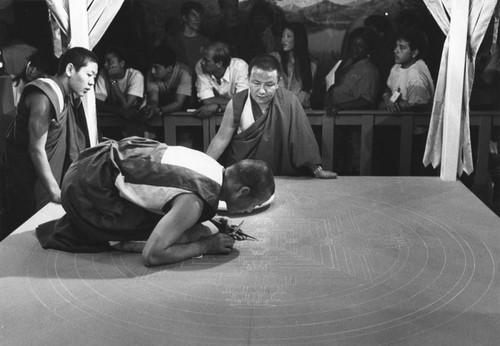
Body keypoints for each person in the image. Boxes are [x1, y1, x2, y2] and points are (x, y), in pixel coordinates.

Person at [36, 136, 275, 266]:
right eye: (253, 205)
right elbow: (151, 256)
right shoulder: (194, 203)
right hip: (84, 190)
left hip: (92, 161)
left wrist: (215, 219)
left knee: (194, 224)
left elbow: (178, 184)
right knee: (195, 232)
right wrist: (206, 246)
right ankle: (111, 235)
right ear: (242, 191)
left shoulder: (211, 165)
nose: (250, 210)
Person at [4, 47, 98, 233]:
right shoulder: (43, 94)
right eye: (89, 74)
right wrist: (54, 191)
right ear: (70, 70)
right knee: (25, 233)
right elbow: (36, 148)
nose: (91, 82)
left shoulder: (65, 96)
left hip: (44, 177)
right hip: (28, 178)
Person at [206, 54, 336, 178]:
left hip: (280, 174)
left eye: (269, 84)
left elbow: (303, 140)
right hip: (242, 174)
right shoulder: (237, 103)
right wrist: (202, 167)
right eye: (256, 83)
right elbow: (221, 139)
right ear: (248, 79)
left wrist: (317, 171)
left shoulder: (289, 101)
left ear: (278, 82)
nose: (261, 91)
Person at [324, 26, 381, 175]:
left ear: (368, 48)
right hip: (337, 123)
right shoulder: (348, 63)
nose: (355, 49)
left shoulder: (369, 70)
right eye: (354, 45)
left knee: (352, 163)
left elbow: (367, 100)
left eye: (360, 46)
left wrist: (340, 107)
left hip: (354, 125)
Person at [141, 46, 193, 144]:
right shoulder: (151, 75)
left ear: (169, 68)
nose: (152, 71)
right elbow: (153, 100)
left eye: (156, 67)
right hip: (161, 121)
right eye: (151, 67)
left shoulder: (184, 73)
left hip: (186, 121)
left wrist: (159, 110)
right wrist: (151, 108)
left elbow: (178, 104)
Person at [95, 46, 144, 137]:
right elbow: (98, 104)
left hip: (135, 120)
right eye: (105, 61)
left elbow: (126, 105)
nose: (105, 65)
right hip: (114, 119)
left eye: (109, 62)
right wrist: (120, 111)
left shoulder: (136, 76)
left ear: (121, 64)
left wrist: (113, 81)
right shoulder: (103, 74)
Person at [194, 41, 249, 117]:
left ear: (219, 64)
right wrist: (234, 102)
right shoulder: (201, 67)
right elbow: (207, 101)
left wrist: (217, 107)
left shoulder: (240, 67)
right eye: (202, 58)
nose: (202, 63)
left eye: (206, 60)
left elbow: (243, 103)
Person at [270, 22, 316, 109]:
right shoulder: (275, 58)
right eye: (283, 36)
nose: (284, 40)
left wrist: (291, 105)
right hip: (277, 108)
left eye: (288, 36)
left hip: (298, 110)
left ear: (298, 38)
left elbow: (306, 92)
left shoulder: (310, 65)